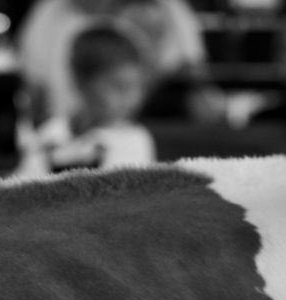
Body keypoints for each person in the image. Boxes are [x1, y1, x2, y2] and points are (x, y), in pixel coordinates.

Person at [17, 0, 221, 123]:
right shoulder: (48, 12)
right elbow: (32, 91)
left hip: (142, 132)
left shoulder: (164, 10)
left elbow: (198, 86)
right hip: (63, 137)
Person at [17, 22, 156, 175]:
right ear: (81, 82)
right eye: (119, 87)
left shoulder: (133, 139)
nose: (132, 99)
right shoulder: (49, 135)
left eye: (137, 87)